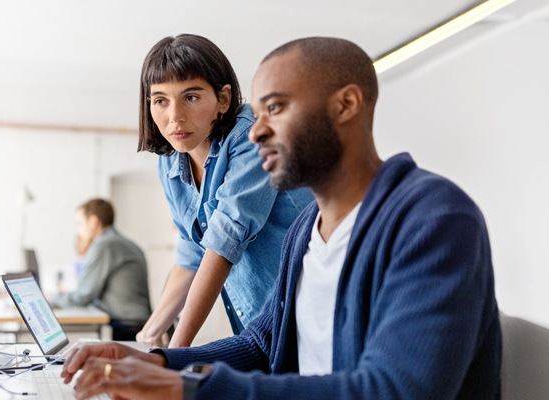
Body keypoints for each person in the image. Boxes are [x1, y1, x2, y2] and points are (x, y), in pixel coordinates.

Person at [60, 37, 502, 400]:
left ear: (346, 105)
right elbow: (259, 344)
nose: (255, 131)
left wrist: (187, 386)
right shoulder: (306, 232)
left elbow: (396, 390)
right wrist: (152, 359)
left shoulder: (434, 220)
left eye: (275, 108)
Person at [135, 34, 314, 348]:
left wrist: (174, 353)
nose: (174, 116)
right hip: (260, 327)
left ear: (223, 99)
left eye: (191, 97)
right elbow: (193, 250)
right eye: (160, 100)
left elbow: (223, 241)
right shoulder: (171, 160)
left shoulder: (252, 137)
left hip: (309, 315)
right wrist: (150, 334)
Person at [53, 199, 152, 341]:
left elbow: (83, 296)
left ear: (93, 221)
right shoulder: (126, 243)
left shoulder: (104, 245)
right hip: (137, 323)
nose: (78, 231)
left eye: (80, 224)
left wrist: (53, 298)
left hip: (126, 326)